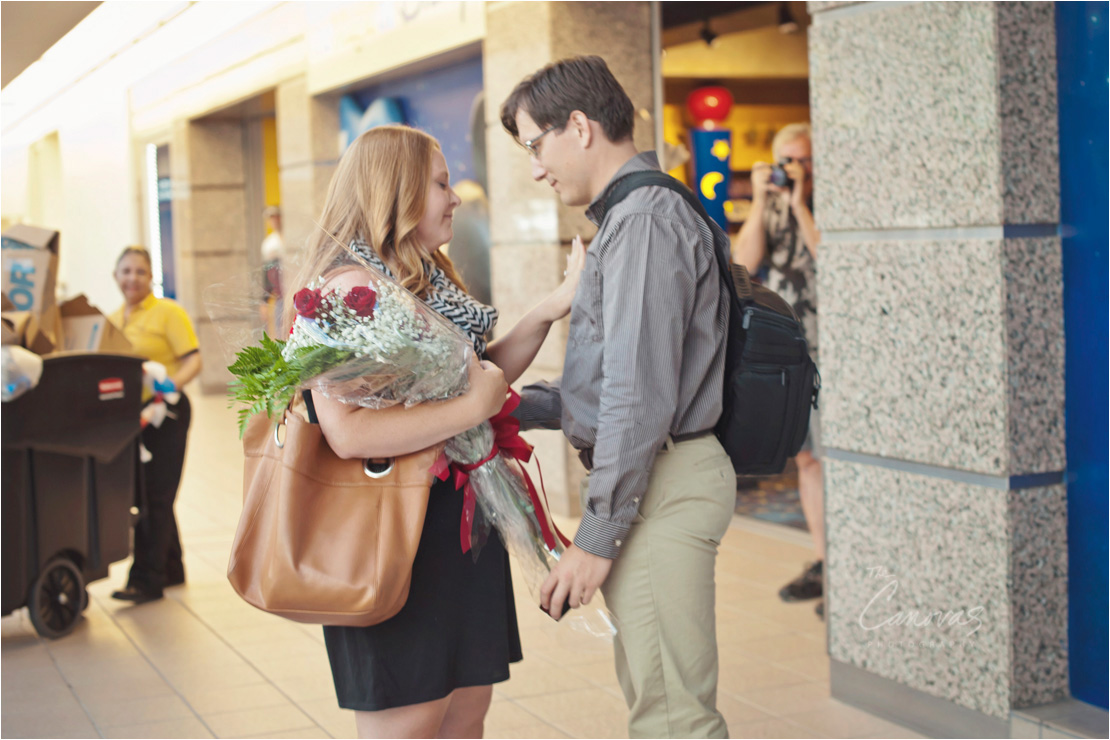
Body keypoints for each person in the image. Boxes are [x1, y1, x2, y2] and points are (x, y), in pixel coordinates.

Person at [290, 125, 584, 739]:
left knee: (465, 712)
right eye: (442, 185)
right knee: (412, 721)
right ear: (395, 191)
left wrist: (552, 306)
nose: (454, 199)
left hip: (455, 522)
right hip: (390, 531)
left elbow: (479, 376)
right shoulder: (348, 291)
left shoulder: (423, 280)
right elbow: (349, 433)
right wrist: (476, 406)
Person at [500, 56, 734, 738]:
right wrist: (503, 408)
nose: (537, 169)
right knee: (657, 700)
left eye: (534, 145)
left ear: (578, 126)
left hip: (661, 479)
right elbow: (615, 385)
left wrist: (595, 537)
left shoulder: (644, 220)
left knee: (672, 716)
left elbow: (638, 394)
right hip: (652, 477)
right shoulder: (632, 217)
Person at [731, 123, 826, 618]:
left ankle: (851, 564)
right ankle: (824, 559)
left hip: (836, 345)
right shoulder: (768, 206)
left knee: (837, 460)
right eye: (786, 160)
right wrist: (763, 200)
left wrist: (802, 203)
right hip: (796, 349)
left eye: (802, 160)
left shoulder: (827, 197)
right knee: (807, 459)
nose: (794, 169)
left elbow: (828, 256)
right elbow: (743, 263)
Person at [109, 246, 202, 604]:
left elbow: (193, 360)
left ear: (151, 277)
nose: (132, 278)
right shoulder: (114, 319)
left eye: (140, 272)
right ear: (115, 276)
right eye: (126, 271)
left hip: (168, 413)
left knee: (155, 496)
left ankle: (146, 579)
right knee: (151, 492)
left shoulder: (168, 313)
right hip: (136, 419)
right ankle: (172, 567)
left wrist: (170, 387)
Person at [260, 206, 284, 337]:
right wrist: (265, 299)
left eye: (277, 217)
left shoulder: (291, 238)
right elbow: (267, 273)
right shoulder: (270, 243)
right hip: (280, 295)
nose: (275, 221)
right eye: (271, 218)